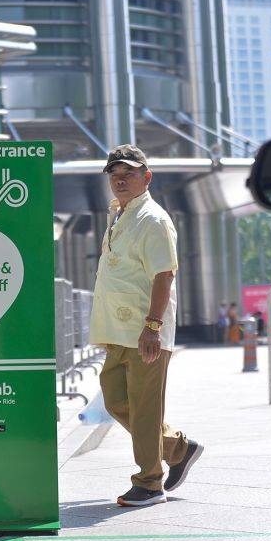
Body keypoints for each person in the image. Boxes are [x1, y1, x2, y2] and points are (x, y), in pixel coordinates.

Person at [88, 144, 204, 507]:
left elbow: (163, 275)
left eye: (129, 174)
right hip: (118, 331)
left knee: (144, 407)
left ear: (146, 177)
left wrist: (152, 327)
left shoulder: (152, 219)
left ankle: (150, 483)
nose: (120, 180)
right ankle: (177, 447)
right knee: (116, 399)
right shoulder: (121, 214)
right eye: (114, 175)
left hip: (143, 332)